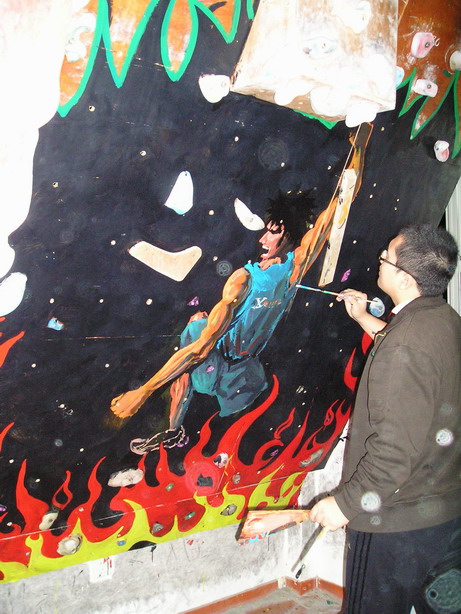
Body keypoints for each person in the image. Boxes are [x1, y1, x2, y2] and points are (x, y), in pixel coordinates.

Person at [109, 123, 373, 455]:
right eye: (266, 231)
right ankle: (173, 428)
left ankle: (176, 425)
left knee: (197, 335)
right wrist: (144, 391)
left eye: (273, 232)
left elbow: (338, 208)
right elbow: (201, 348)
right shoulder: (244, 278)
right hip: (217, 355)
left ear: (289, 236)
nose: (263, 239)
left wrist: (359, 151)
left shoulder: (294, 267)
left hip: (243, 365)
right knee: (195, 332)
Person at [310, 224, 461, 613]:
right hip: (442, 515)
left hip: (394, 525)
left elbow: (393, 451)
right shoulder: (442, 320)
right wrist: (363, 318)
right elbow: (407, 352)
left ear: (405, 278)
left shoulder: (405, 345)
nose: (380, 260)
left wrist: (345, 504)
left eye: (386, 257)